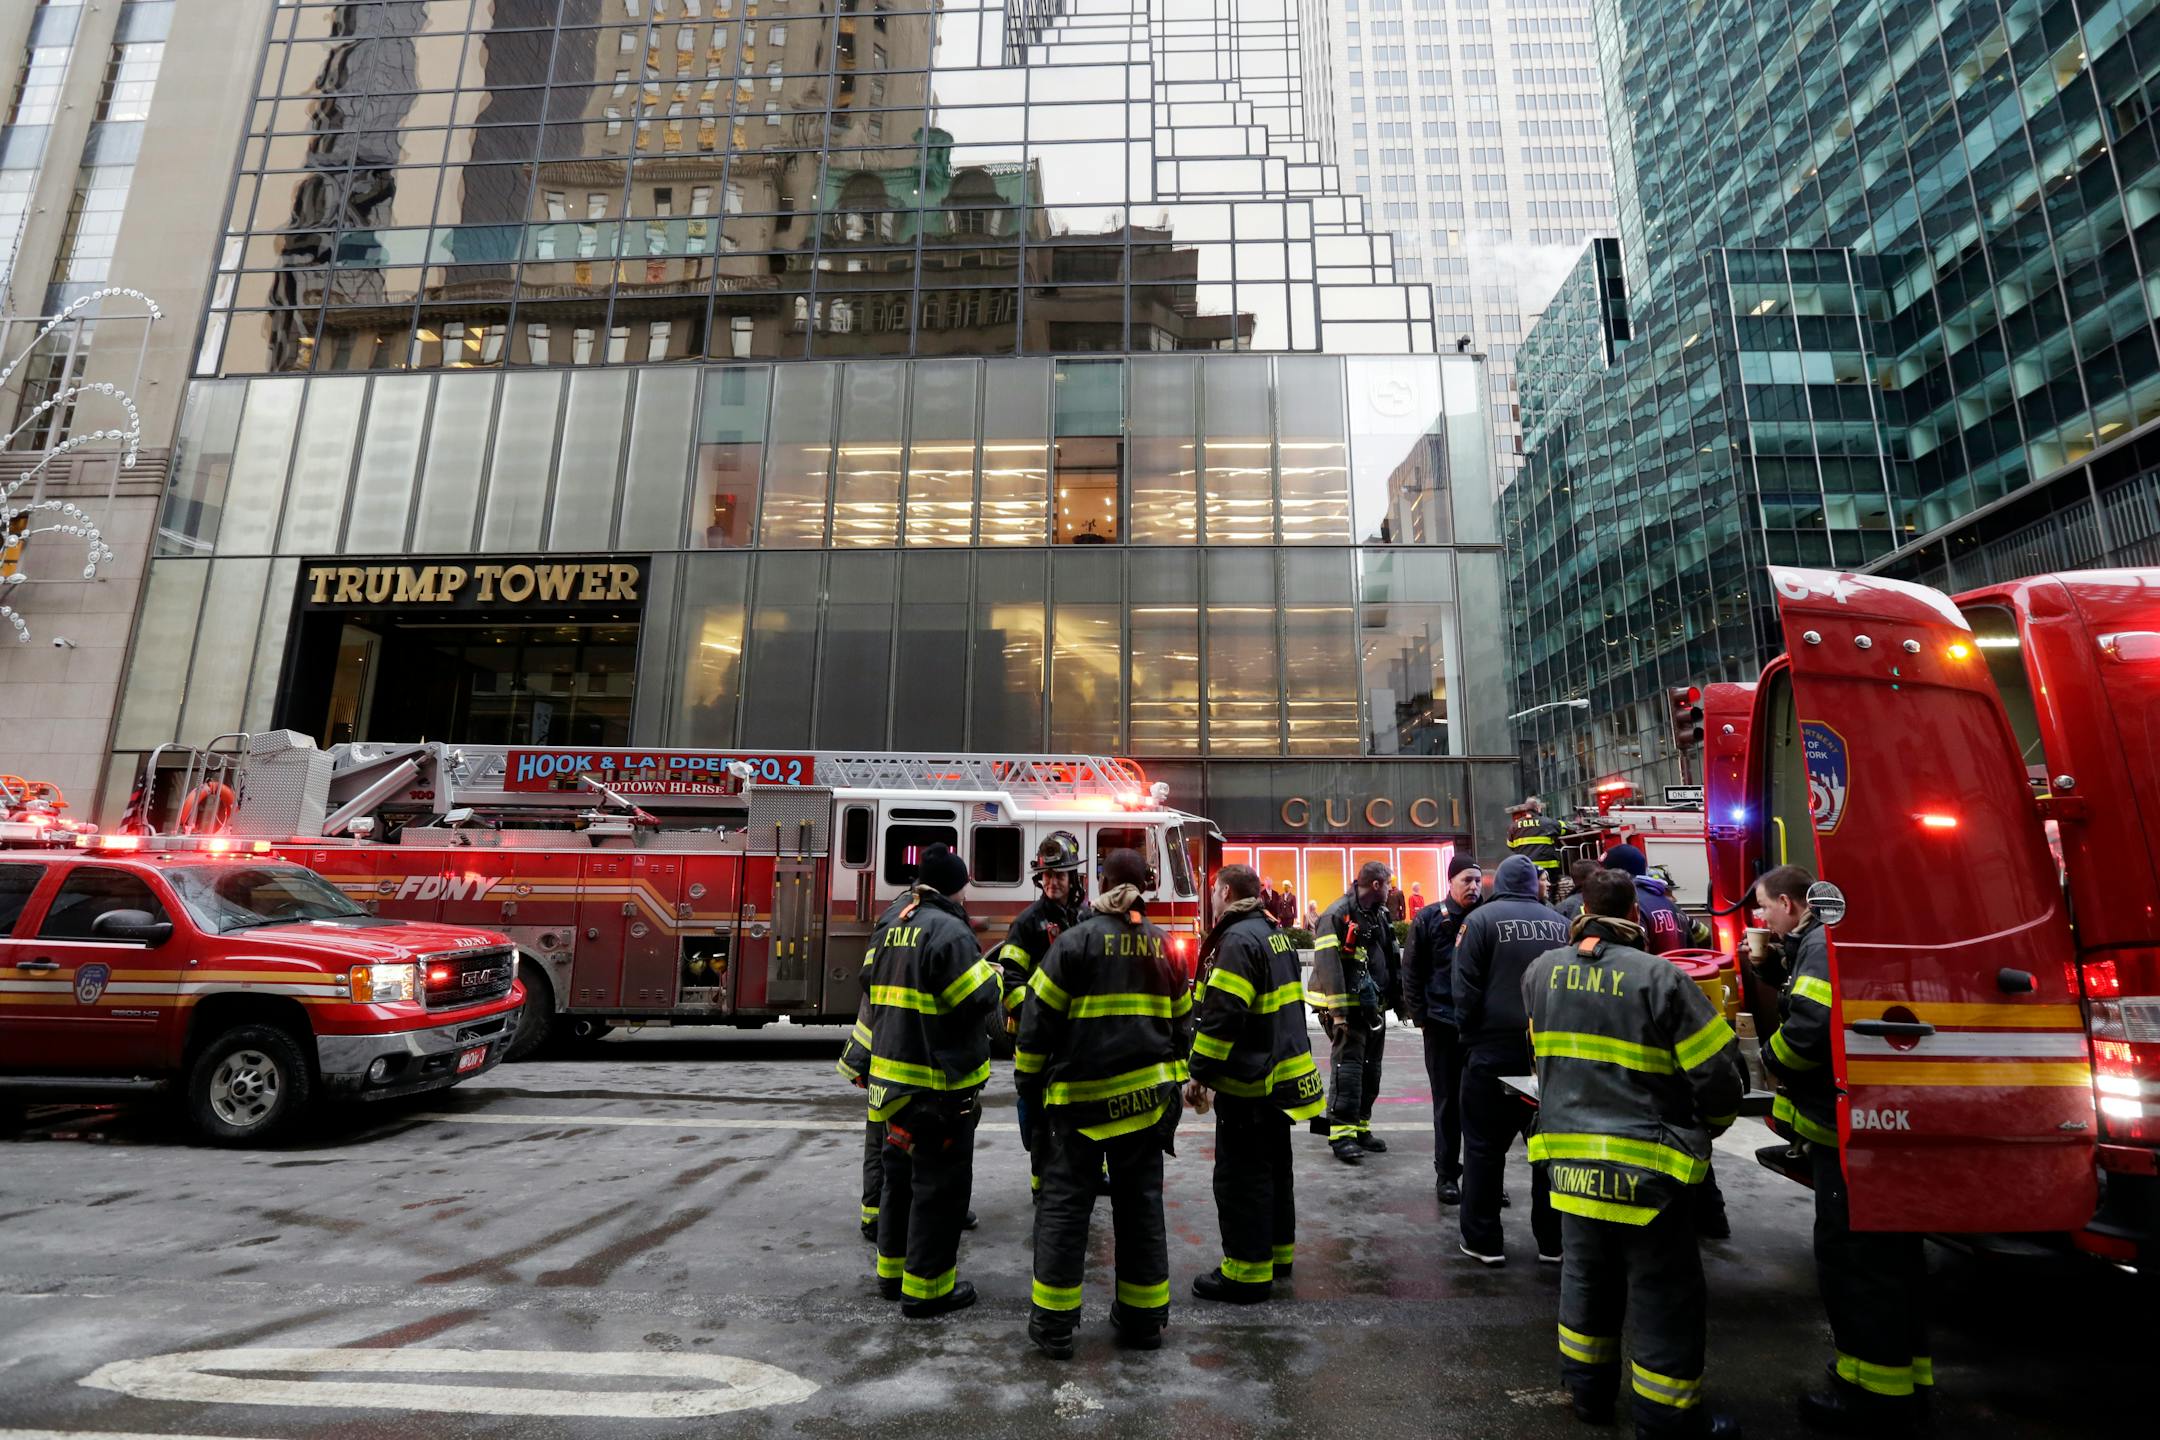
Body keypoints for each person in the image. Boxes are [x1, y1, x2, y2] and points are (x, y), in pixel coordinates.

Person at [1525, 868, 1743, 1438]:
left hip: (1569, 1166)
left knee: (1586, 1280)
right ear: (1638, 915)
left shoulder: (1541, 973)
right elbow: (1718, 1077)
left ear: (1579, 909)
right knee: (1662, 1293)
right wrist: (1709, 1128)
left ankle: (1588, 1396)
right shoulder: (1659, 978)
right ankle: (1665, 1418)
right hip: (1649, 1171)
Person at [1754, 865, 1929, 1435]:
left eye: (1763, 908)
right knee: (1896, 1256)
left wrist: (1770, 1059)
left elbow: (1808, 1030)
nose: (1761, 919)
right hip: (1877, 1126)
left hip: (1843, 1134)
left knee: (1855, 1262)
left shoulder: (1817, 944)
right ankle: (1905, 1378)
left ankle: (1873, 1396)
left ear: (1789, 903)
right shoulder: (1825, 938)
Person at [1015, 848, 1191, 1358]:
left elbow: (1036, 1025)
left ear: (1100, 883)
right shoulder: (1165, 947)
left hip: (1079, 1107)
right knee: (1141, 1207)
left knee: (1065, 1208)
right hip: (1144, 1107)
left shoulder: (1073, 943)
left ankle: (1053, 1326)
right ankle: (1142, 1321)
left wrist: (1029, 1089)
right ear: (1145, 886)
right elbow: (1183, 1026)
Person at [860, 843, 1001, 1318]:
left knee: (898, 1180)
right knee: (939, 1189)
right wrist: (996, 975)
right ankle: (928, 1291)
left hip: (892, 1086)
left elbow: (868, 984)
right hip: (936, 1087)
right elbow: (977, 998)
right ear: (958, 887)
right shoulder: (949, 930)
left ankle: (891, 1274)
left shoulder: (891, 925)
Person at [1186, 863, 1323, 1304]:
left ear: (1225, 892)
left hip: (1249, 1082)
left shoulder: (1238, 940)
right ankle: (1277, 1256)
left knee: (1241, 1179)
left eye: (1213, 891)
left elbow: (1223, 1014)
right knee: (1275, 1171)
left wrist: (1200, 1072)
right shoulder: (1273, 932)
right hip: (1278, 1079)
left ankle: (1245, 1274)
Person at [1451, 854, 1566, 1264]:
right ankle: (1553, 1242)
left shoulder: (1480, 921)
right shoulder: (1562, 923)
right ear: (1535, 883)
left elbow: (1464, 986)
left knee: (1483, 1147)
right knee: (1546, 1149)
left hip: (1492, 1050)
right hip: (1548, 1055)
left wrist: (1467, 1037)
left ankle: (1483, 1241)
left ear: (1495, 883)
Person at [997, 831, 1086, 1201]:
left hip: (1079, 1035)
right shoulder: (1027, 924)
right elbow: (1012, 982)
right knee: (1037, 1111)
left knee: (1082, 1104)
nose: (1052, 883)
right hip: (1038, 1037)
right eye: (1047, 877)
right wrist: (1034, 1021)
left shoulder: (1087, 916)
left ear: (1073, 879)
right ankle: (1040, 1183)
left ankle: (1090, 1174)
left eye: (1059, 876)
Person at [1307, 860, 1402, 1163]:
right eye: (1388, 884)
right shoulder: (1335, 914)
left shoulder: (1380, 914)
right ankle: (1342, 1135)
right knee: (1348, 1068)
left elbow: (1391, 958)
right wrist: (1338, 1012)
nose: (1391, 889)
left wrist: (1400, 1001)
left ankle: (1361, 1126)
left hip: (1372, 1007)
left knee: (1371, 1068)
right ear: (1376, 885)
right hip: (1346, 1008)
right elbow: (1327, 964)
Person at [1406, 853, 1480, 1205]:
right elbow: (1413, 971)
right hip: (1441, 1024)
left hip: (1479, 1028)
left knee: (1482, 1106)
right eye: (1467, 879)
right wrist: (1421, 1017)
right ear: (1450, 881)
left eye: (1478, 881)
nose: (1474, 886)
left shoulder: (1485, 919)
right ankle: (1447, 1174)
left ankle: (1483, 1178)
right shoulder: (1429, 919)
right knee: (1448, 1103)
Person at [1507, 795, 1565, 899]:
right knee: (1548, 895)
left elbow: (1510, 845)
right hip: (1547, 868)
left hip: (1525, 868)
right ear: (1538, 808)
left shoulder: (1514, 826)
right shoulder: (1547, 822)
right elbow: (1563, 829)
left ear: (1526, 809)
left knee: (1527, 894)